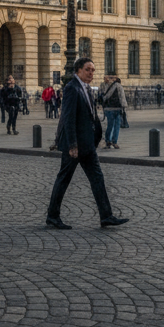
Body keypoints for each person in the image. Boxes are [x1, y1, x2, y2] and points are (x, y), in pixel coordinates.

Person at [46, 58, 127, 230]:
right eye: (88, 69)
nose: (91, 73)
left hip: (88, 144)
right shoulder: (72, 88)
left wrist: (96, 138)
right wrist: (72, 144)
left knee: (97, 178)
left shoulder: (88, 88)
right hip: (74, 145)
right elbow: (68, 118)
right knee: (64, 179)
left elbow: (91, 116)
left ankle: (106, 216)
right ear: (78, 70)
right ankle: (52, 216)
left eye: (93, 70)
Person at [98, 72, 128, 149]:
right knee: (116, 126)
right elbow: (122, 97)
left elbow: (100, 95)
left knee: (110, 125)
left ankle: (108, 141)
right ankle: (114, 142)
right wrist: (124, 108)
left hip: (108, 108)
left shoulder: (103, 85)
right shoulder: (118, 86)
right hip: (117, 108)